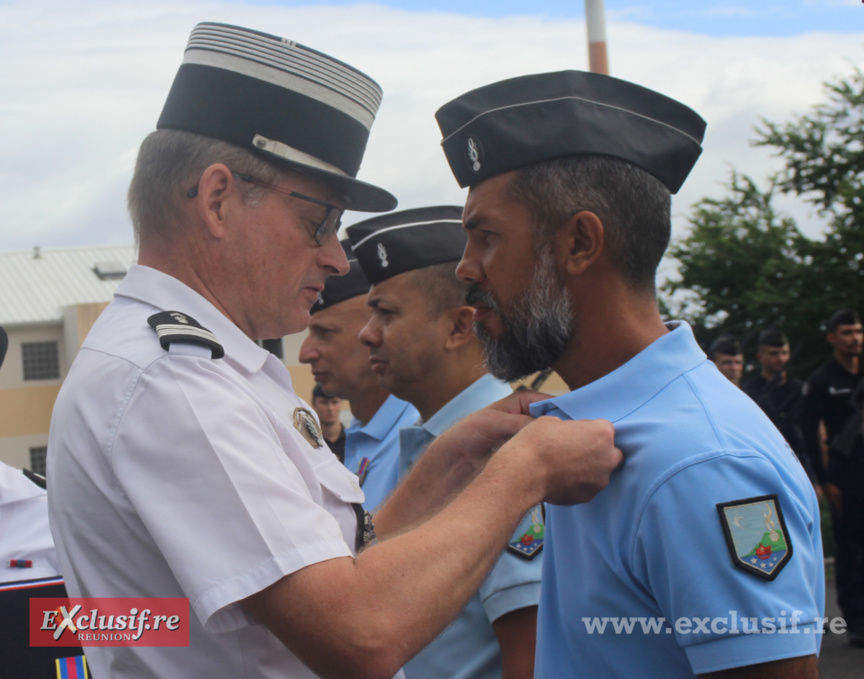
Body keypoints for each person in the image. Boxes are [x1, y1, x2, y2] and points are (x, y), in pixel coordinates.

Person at [46, 24, 622, 679]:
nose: (335, 255)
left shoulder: (197, 367)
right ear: (217, 200)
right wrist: (526, 471)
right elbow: (359, 635)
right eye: (319, 219)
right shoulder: (172, 382)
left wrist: (450, 460)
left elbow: (331, 562)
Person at [436, 69, 824, 677]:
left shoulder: (697, 462)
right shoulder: (589, 429)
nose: (465, 268)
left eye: (486, 236)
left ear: (580, 243)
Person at [348, 206, 542, 679]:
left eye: (386, 313)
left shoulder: (506, 446)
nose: (366, 334)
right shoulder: (425, 439)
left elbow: (530, 652)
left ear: (459, 326)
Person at [299, 240, 418, 507]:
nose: (304, 353)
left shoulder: (422, 438)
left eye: (325, 333)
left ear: (374, 334)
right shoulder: (362, 432)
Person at [800, 308, 864, 647]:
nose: (855, 338)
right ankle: (855, 618)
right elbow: (810, 433)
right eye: (847, 332)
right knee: (850, 547)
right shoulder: (823, 380)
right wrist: (824, 480)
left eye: (858, 331)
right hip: (845, 472)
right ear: (833, 338)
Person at [742, 328, 816, 484]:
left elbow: (815, 428)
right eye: (774, 354)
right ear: (760, 356)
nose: (781, 359)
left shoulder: (799, 388)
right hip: (767, 460)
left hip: (800, 458)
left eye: (784, 353)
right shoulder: (750, 391)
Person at [310, 383, 347, 463]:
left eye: (335, 402)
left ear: (341, 403)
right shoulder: (308, 444)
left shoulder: (351, 440)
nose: (330, 408)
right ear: (313, 404)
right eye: (324, 402)